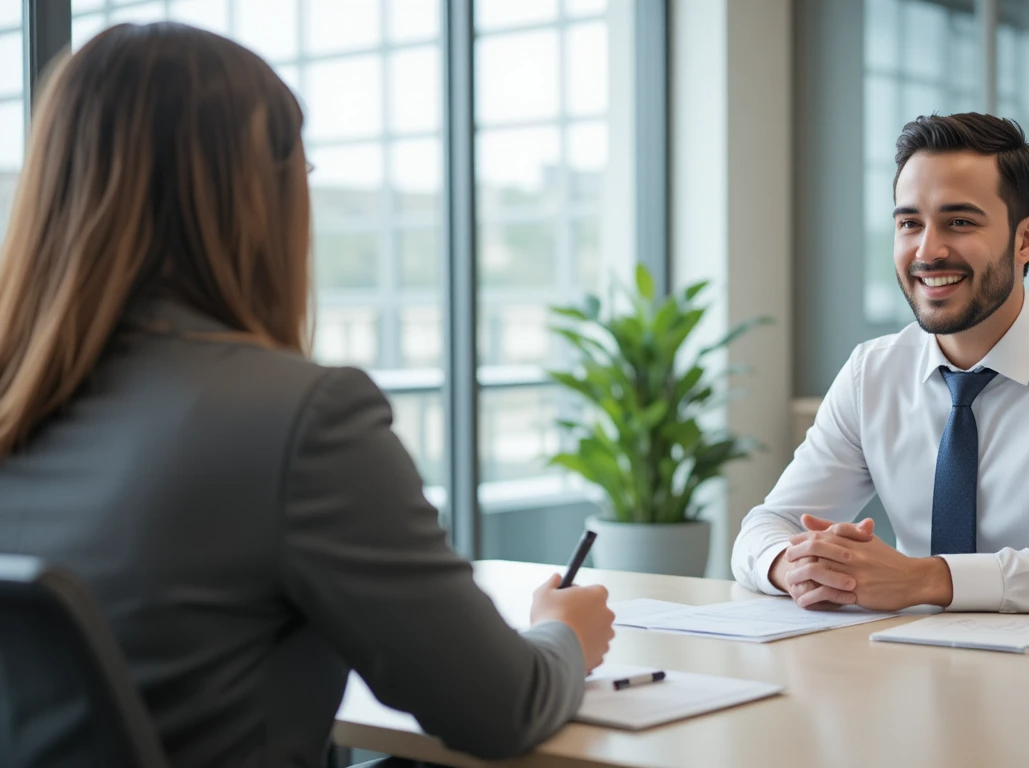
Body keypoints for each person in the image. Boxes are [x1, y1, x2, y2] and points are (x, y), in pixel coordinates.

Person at [0, 22, 613, 766]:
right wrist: (565, 636)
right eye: (305, 175)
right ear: (257, 200)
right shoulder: (297, 419)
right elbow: (500, 708)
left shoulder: (22, 402)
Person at [731, 113, 1029, 615]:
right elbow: (767, 525)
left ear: (1027, 238)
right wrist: (792, 565)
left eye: (960, 222)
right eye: (909, 224)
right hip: (926, 661)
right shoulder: (873, 374)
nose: (927, 251)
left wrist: (923, 579)